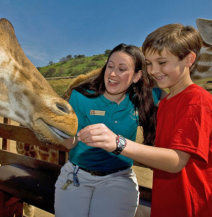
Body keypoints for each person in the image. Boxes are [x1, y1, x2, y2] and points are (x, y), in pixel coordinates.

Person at [78, 24, 212, 217]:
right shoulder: (166, 102)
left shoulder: (196, 100)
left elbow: (176, 161)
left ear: (188, 59)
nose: (153, 70)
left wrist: (118, 143)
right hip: (170, 205)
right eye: (149, 63)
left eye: (162, 62)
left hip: (197, 208)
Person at [54, 44, 164, 217]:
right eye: (110, 66)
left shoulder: (144, 98)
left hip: (118, 178)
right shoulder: (81, 96)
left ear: (136, 76)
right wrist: (64, 136)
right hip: (77, 175)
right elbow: (71, 141)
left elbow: (177, 88)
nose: (112, 74)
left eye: (122, 69)